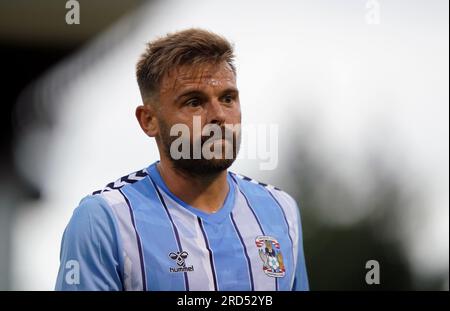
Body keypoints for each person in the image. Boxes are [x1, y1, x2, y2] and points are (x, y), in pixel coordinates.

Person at [55, 28, 309, 291]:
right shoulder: (104, 221)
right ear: (149, 120)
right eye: (194, 102)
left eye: (228, 98)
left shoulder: (281, 211)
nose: (218, 115)